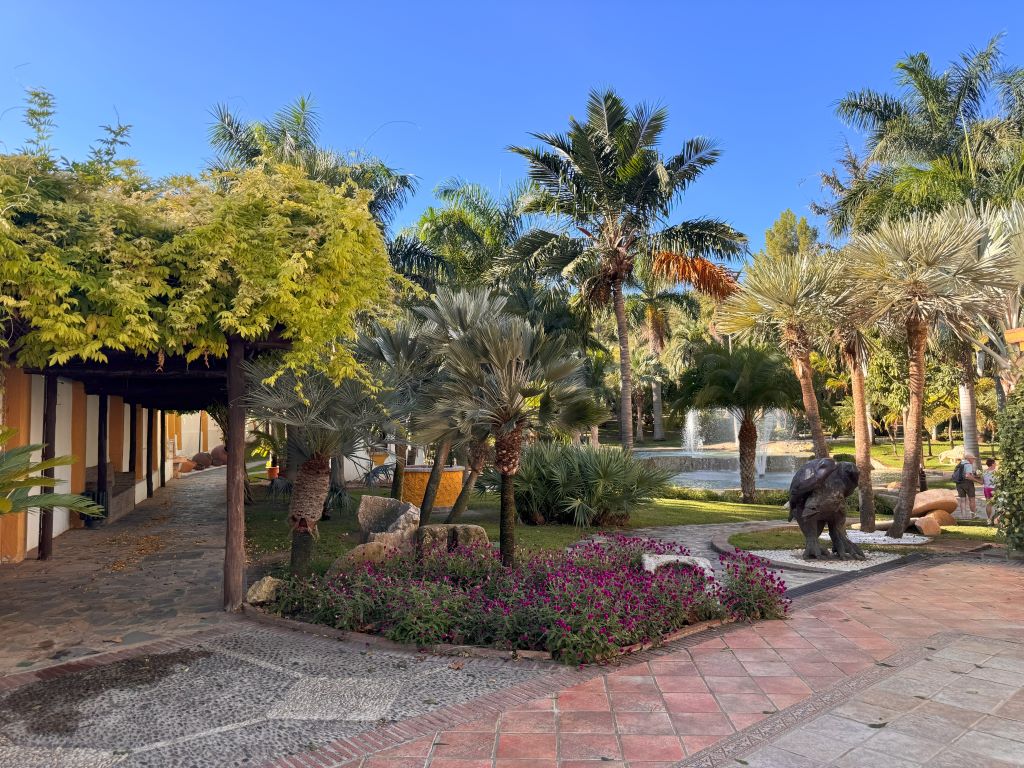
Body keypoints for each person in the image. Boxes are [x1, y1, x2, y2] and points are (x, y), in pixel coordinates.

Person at [953, 453, 980, 521]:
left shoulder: (960, 464)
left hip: (959, 484)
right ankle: (973, 516)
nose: (973, 460)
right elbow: (967, 476)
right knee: (972, 499)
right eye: (973, 458)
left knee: (962, 500)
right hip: (967, 483)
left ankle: (963, 516)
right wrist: (978, 481)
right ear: (969, 459)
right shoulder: (968, 465)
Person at [982, 458, 998, 526]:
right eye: (995, 463)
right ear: (992, 464)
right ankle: (996, 520)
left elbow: (982, 482)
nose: (996, 464)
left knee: (989, 505)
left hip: (986, 489)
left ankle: (989, 520)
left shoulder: (984, 472)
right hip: (994, 489)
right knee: (997, 505)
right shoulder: (996, 472)